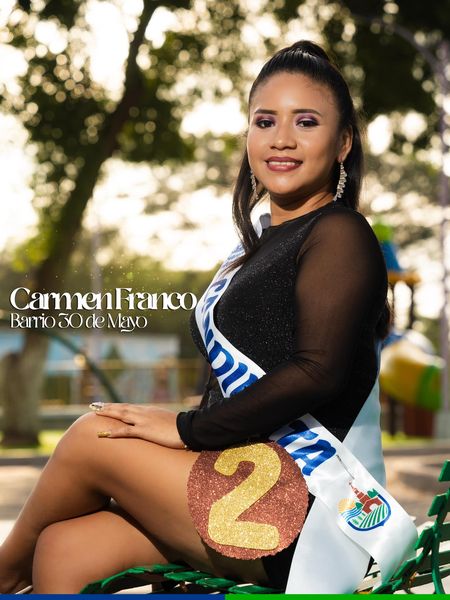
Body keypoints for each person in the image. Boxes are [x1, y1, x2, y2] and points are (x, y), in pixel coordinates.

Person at [0, 40, 414, 594]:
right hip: (242, 487)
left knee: (91, 435)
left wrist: (183, 429)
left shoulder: (339, 233)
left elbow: (317, 372)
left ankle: (2, 573)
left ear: (343, 143)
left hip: (310, 513)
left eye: (306, 122)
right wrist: (189, 431)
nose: (281, 138)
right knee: (64, 548)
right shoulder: (254, 248)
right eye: (264, 121)